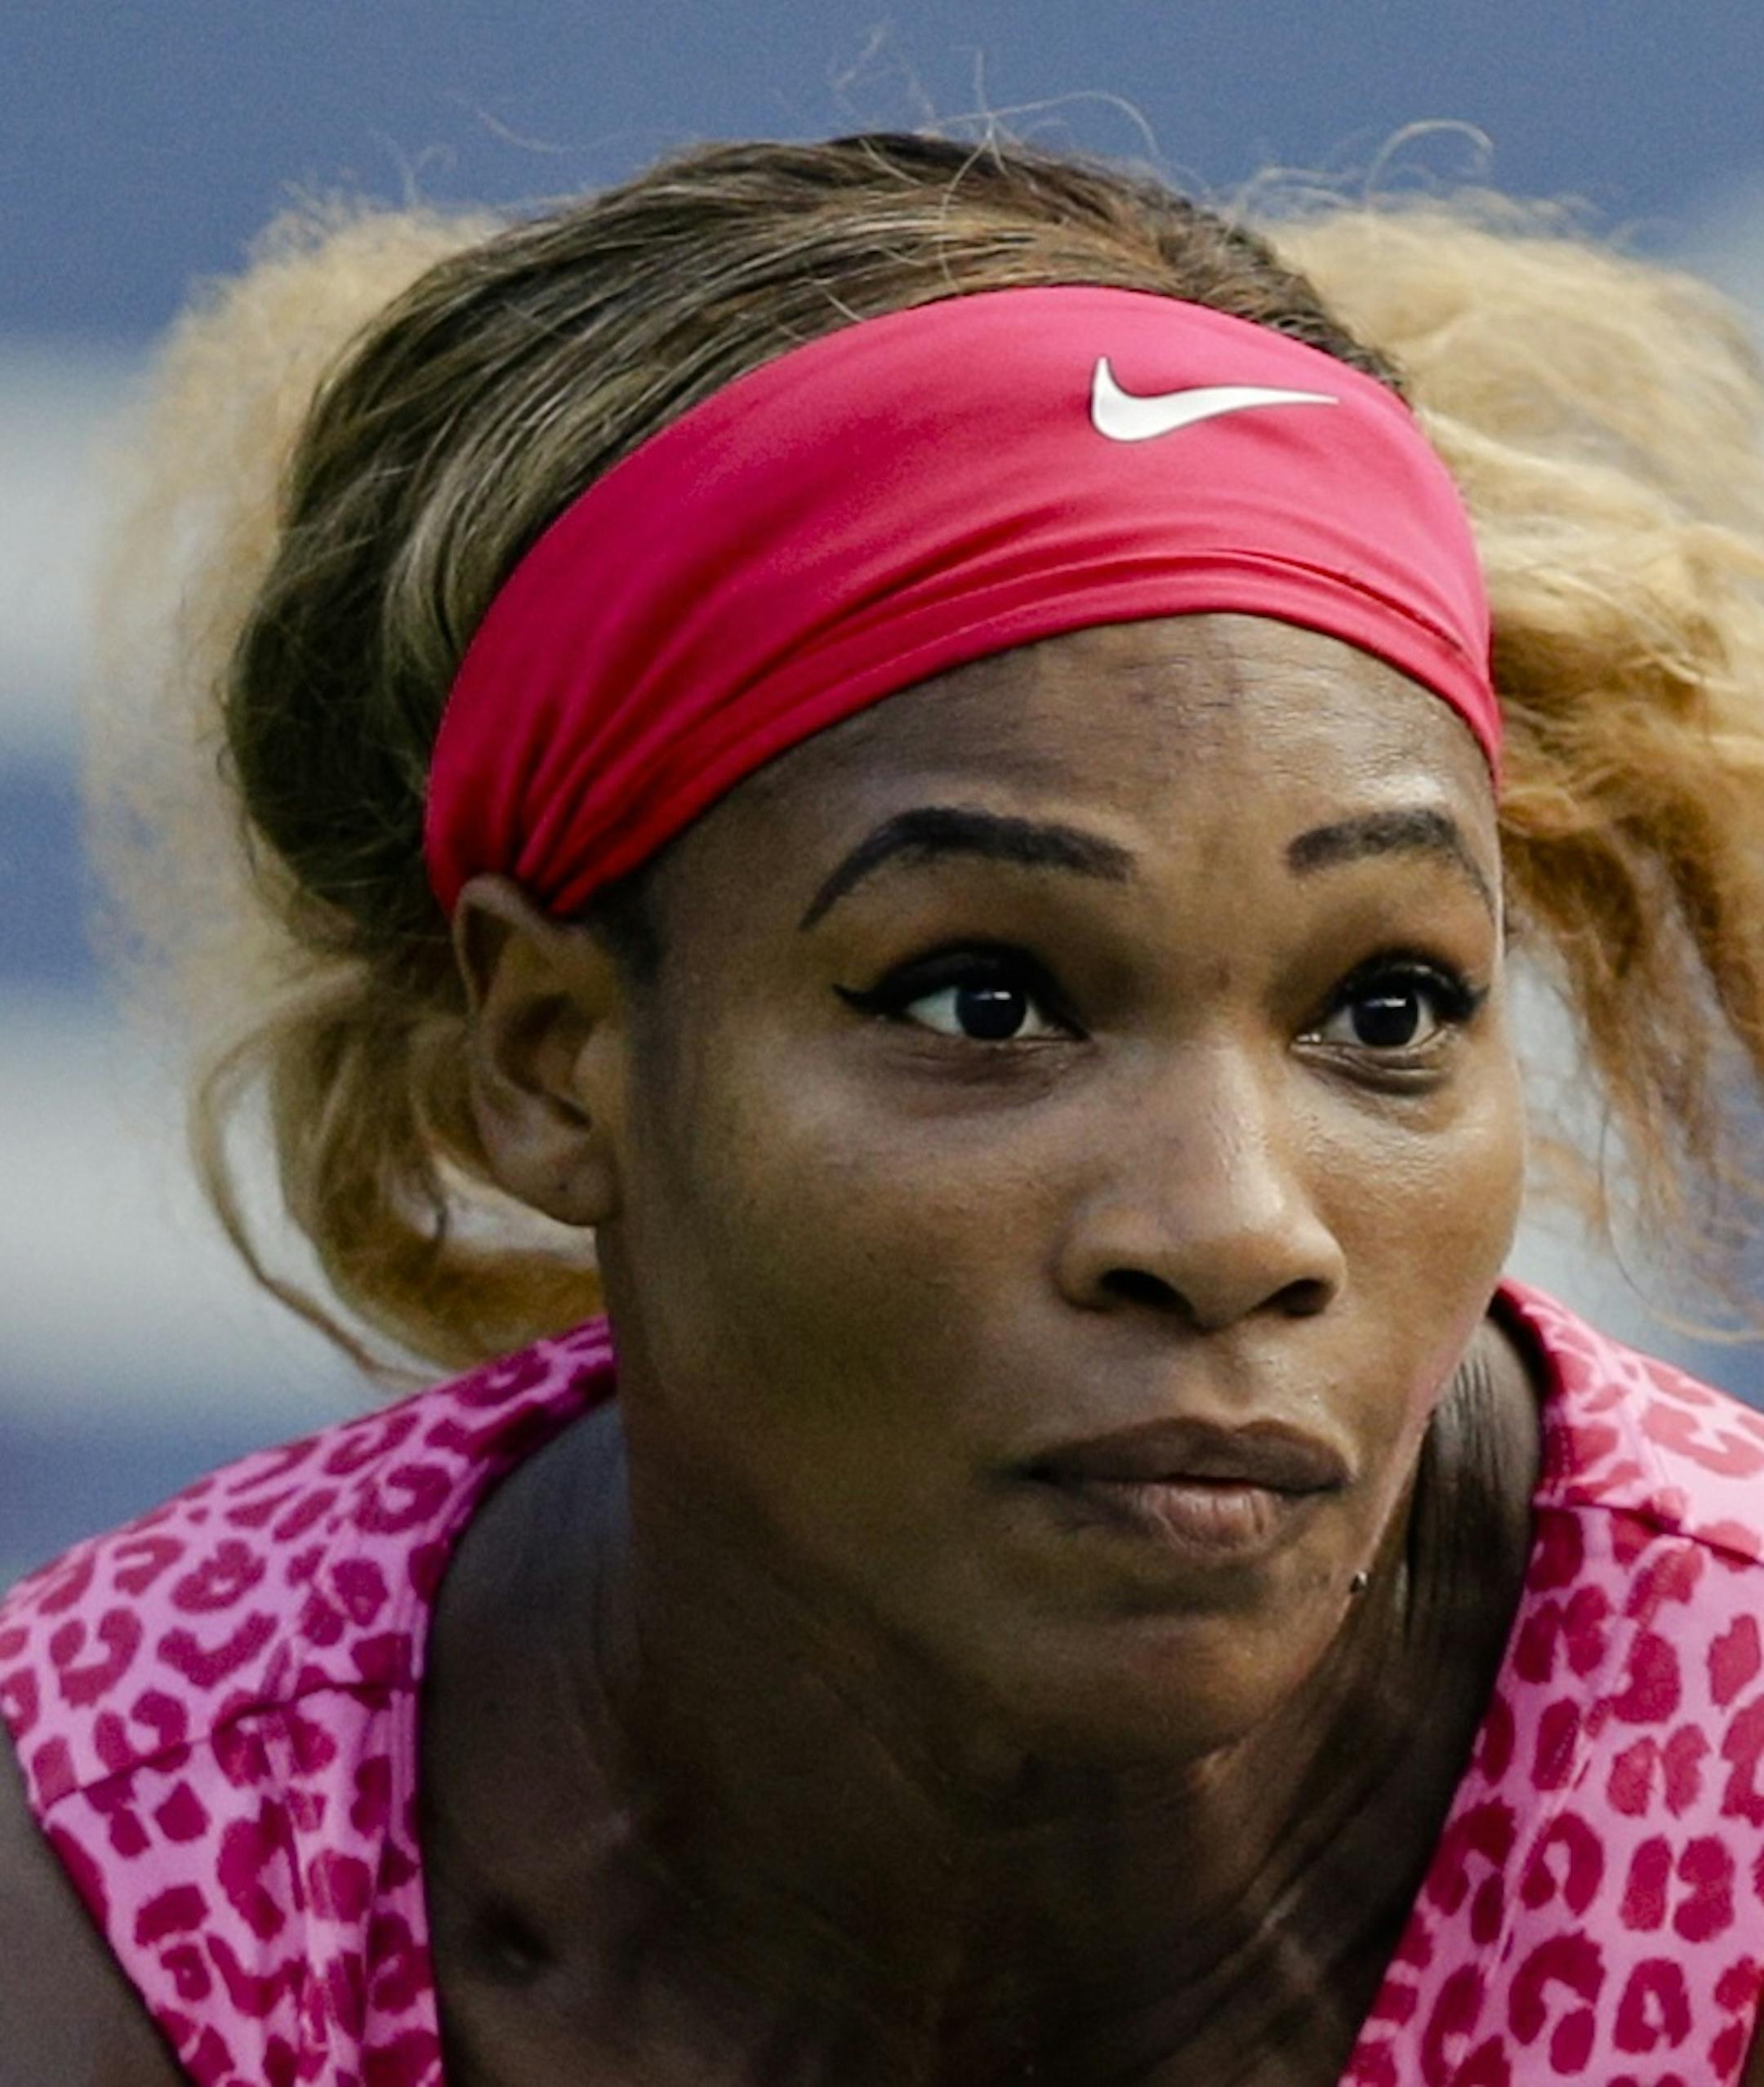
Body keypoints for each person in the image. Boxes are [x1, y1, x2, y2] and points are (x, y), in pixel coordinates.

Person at [4, 128, 1764, 2087]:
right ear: (550, 1055)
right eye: (983, 1001)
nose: (1236, 1228)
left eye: (1386, 1007)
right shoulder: (115, 1861)